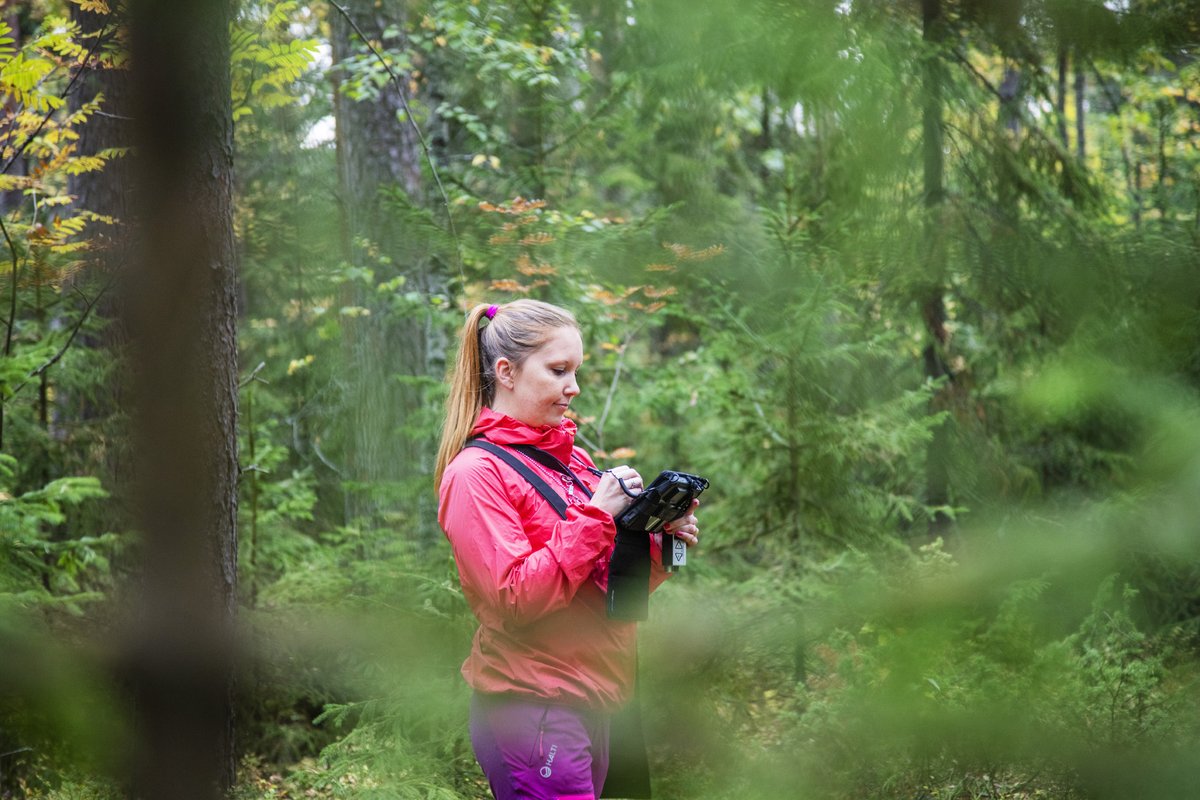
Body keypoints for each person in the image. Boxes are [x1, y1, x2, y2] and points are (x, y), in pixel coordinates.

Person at [435, 299, 700, 800]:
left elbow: (598, 593)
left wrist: (662, 547)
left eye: (576, 370)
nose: (573, 387)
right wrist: (598, 515)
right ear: (506, 372)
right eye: (558, 370)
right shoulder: (476, 473)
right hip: (533, 705)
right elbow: (512, 599)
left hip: (596, 698)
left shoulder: (572, 461)